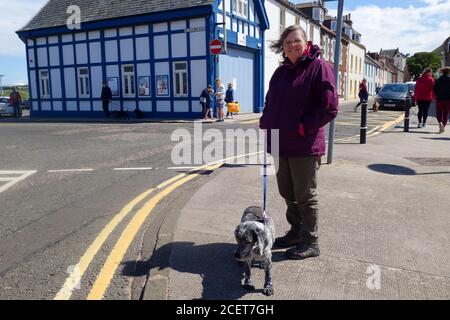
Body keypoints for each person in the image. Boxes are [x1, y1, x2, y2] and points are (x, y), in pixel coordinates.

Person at [259, 25, 338, 260]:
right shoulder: (280, 72)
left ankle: (311, 241)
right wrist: (266, 120)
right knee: (287, 192)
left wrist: (304, 126)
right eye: (287, 42)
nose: (292, 45)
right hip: (279, 143)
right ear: (282, 48)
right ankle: (295, 232)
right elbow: (270, 100)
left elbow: (329, 107)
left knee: (305, 195)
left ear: (306, 43)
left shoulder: (318, 68)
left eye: (296, 41)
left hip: (304, 145)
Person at [434, 67, 450, 133]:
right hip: (448, 99)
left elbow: (434, 89)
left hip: (439, 99)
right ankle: (443, 124)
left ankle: (440, 123)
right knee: (446, 113)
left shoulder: (438, 80)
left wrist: (438, 94)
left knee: (439, 113)